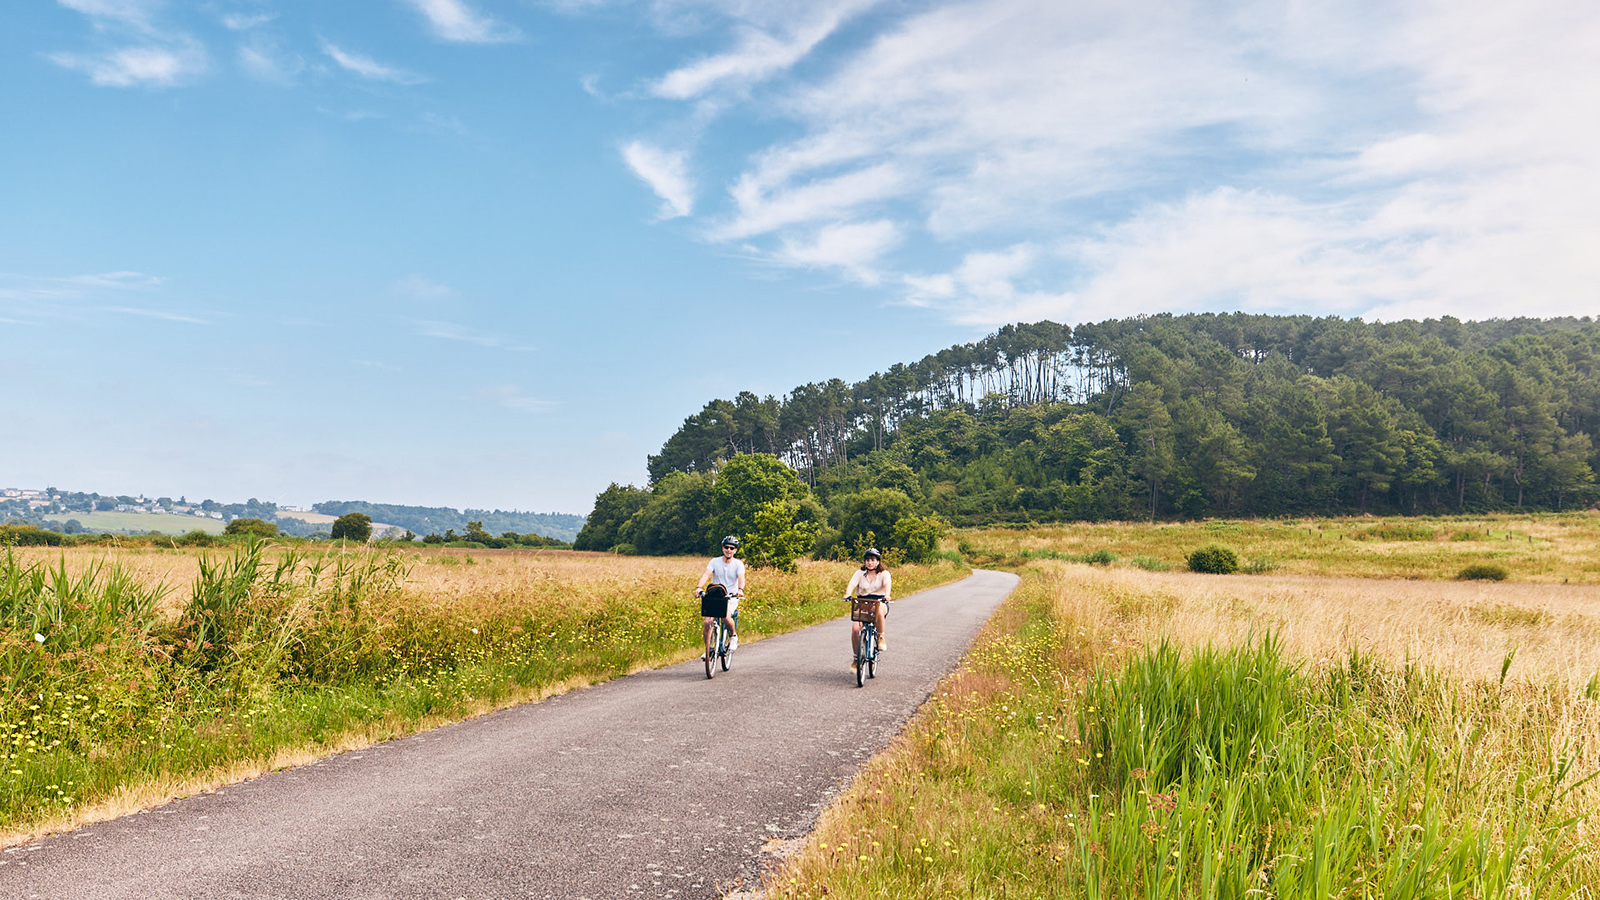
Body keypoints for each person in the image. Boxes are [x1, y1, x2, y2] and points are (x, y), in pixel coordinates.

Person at [696, 536, 745, 657]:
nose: (728, 550)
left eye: (731, 548)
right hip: (715, 596)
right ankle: (709, 649)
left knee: (726, 616)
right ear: (722, 548)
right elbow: (706, 574)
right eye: (726, 547)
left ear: (735, 550)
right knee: (707, 622)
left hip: (730, 596)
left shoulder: (738, 564)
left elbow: (741, 578)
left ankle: (733, 636)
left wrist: (740, 590)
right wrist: (698, 587)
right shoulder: (714, 561)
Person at [844, 547, 892, 667]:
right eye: (867, 560)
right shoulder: (859, 573)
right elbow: (852, 584)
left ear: (877, 561)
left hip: (879, 601)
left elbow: (887, 584)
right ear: (865, 562)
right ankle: (856, 659)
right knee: (855, 629)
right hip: (862, 603)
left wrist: (887, 595)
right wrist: (848, 594)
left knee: (879, 608)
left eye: (872, 560)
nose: (870, 562)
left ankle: (880, 636)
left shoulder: (884, 574)